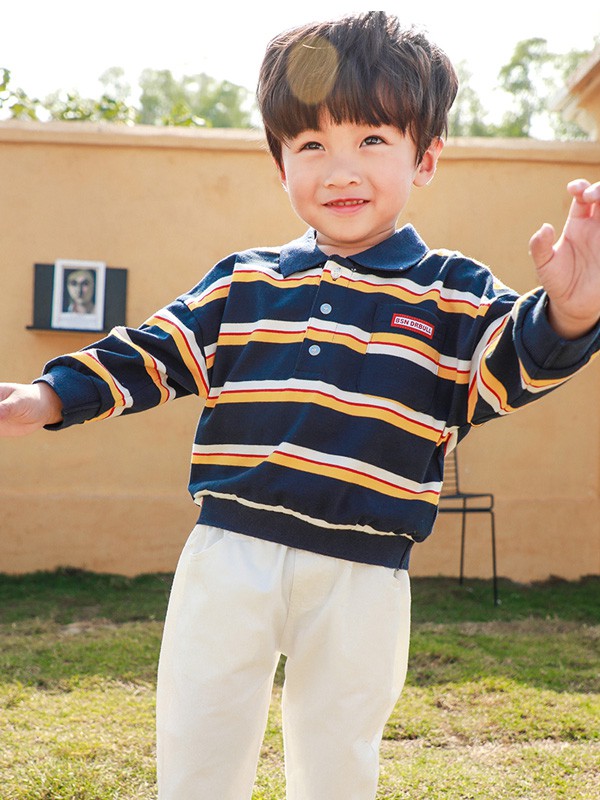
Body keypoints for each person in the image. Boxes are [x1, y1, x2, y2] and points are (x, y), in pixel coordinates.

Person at [1, 11, 599, 800]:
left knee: (336, 765)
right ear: (279, 164)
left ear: (425, 157)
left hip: (364, 571)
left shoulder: (452, 291)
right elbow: (154, 351)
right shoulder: (244, 281)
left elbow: (505, 369)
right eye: (311, 145)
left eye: (372, 140)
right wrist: (46, 396)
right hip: (229, 554)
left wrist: (570, 314)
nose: (340, 170)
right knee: (198, 749)